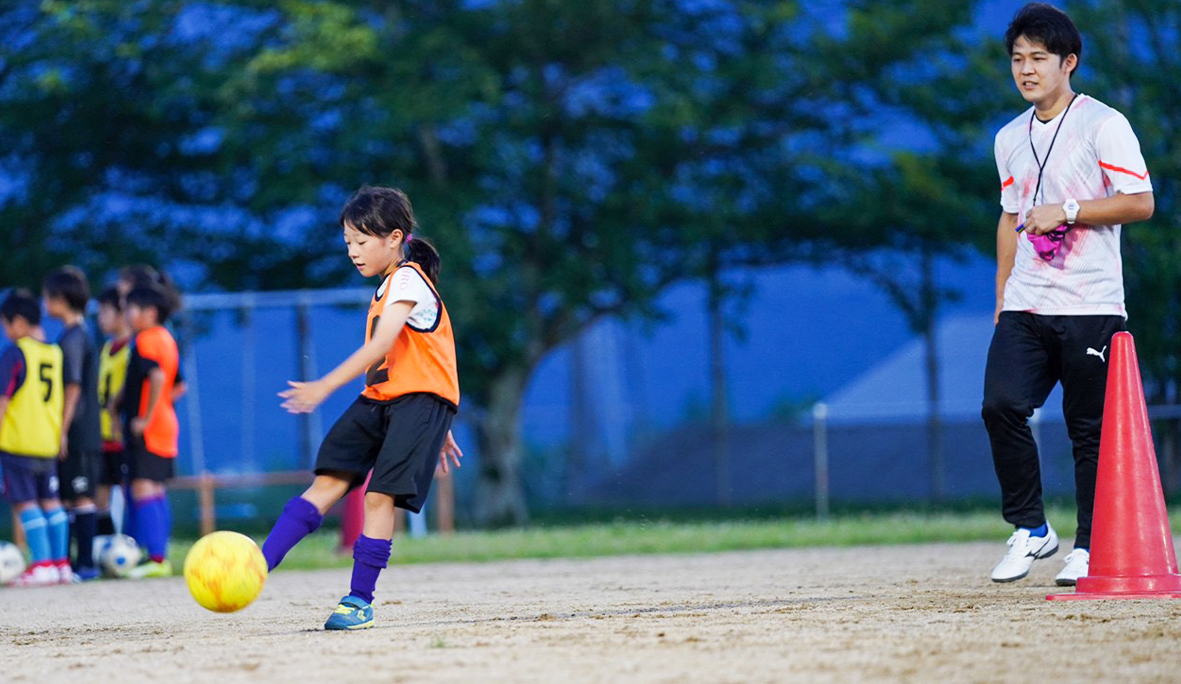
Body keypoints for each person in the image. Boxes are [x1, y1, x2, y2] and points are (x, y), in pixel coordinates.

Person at [984, 3, 1155, 586]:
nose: (1026, 69)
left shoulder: (1103, 124)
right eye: (1017, 59)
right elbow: (1009, 217)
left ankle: (1086, 545)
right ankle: (1031, 528)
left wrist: (1071, 211)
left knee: (1088, 429)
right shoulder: (1008, 137)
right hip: (1027, 301)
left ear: (1068, 62)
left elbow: (1141, 201)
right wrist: (1002, 291)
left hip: (1091, 303)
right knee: (1000, 405)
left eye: (1038, 58)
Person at [261, 185, 462, 630]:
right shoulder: (389, 284)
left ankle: (359, 600)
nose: (353, 251)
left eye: (361, 241)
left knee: (378, 496)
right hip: (383, 400)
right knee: (327, 483)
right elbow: (424, 354)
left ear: (394, 238)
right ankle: (257, 566)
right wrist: (440, 422)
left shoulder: (408, 278)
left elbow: (383, 345)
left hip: (415, 404)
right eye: (348, 243)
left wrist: (325, 386)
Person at [0, 290, 70, 586]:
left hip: (19, 442)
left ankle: (41, 563)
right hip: (47, 441)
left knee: (25, 503)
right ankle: (61, 564)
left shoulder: (15, 353)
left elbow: (3, 400)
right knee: (51, 501)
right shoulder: (54, 353)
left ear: (18, 322)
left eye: (5, 324)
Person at [118, 282, 182, 578]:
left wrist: (143, 416)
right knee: (155, 489)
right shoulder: (167, 337)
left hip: (151, 426)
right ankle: (159, 556)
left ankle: (156, 559)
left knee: (143, 487)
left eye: (131, 308)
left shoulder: (145, 339)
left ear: (149, 312)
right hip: (166, 423)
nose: (127, 314)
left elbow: (155, 376)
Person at [43, 266, 103, 581]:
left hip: (81, 432)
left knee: (81, 497)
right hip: (77, 432)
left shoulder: (75, 338)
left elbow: (73, 387)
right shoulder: (70, 335)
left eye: (47, 297)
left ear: (62, 299)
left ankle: (86, 564)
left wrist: (63, 430)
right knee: (68, 497)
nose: (44, 303)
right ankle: (66, 564)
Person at [96, 286, 132, 538]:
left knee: (128, 492)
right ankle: (104, 545)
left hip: (122, 433)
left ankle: (131, 542)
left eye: (106, 312)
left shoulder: (133, 349)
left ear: (122, 314)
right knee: (99, 492)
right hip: (102, 432)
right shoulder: (106, 348)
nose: (101, 318)